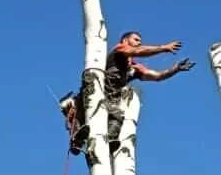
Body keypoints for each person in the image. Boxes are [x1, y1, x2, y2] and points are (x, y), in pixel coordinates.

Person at [61, 32, 194, 156]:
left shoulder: (134, 68)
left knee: (117, 117)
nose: (139, 43)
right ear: (125, 40)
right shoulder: (119, 49)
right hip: (95, 92)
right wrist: (164, 48)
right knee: (81, 113)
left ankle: (109, 142)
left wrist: (175, 69)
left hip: (110, 99)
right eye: (135, 39)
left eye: (140, 41)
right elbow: (138, 51)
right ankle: (76, 138)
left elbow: (156, 76)